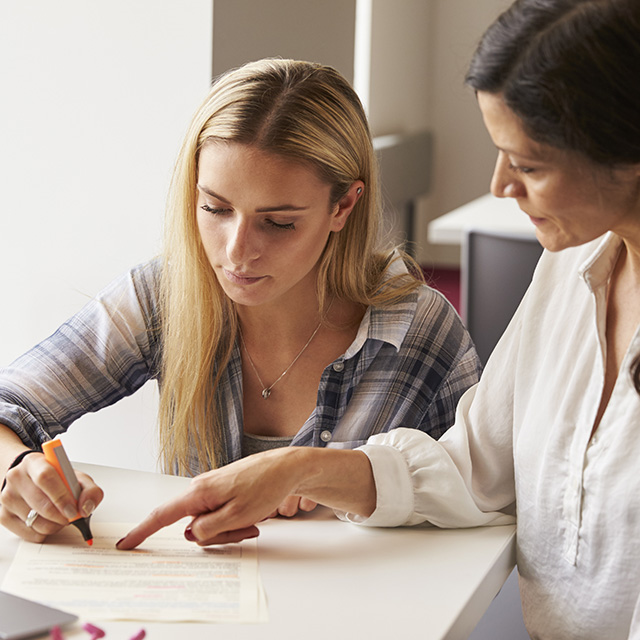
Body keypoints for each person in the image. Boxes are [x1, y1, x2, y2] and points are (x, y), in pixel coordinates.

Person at [116, 1, 640, 638]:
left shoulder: (416, 324)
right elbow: (475, 467)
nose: (499, 185)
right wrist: (297, 467)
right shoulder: (568, 271)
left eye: (528, 163)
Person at [0, 59, 480, 544]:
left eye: (278, 222)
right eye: (215, 208)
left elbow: (483, 504)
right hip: (196, 610)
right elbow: (9, 402)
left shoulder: (419, 331)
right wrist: (17, 469)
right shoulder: (166, 294)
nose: (236, 252)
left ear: (344, 206)